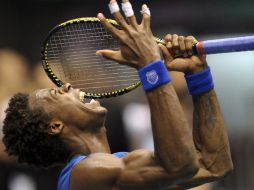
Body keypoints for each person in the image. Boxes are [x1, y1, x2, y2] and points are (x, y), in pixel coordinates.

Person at [2, 0, 233, 190]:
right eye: (56, 92)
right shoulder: (85, 173)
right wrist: (149, 64)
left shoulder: (121, 163)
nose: (68, 86)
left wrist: (198, 75)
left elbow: (214, 164)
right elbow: (179, 166)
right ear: (55, 126)